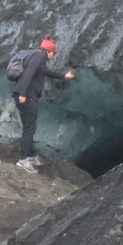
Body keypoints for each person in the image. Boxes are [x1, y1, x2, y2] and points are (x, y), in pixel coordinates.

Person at [12, 35, 75, 173]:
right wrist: (23, 93)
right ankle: (24, 159)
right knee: (29, 128)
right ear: (50, 51)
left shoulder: (37, 58)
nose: (53, 55)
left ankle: (31, 155)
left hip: (26, 96)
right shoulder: (40, 55)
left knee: (30, 127)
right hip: (27, 97)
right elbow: (29, 73)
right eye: (54, 53)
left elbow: (45, 72)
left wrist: (64, 76)